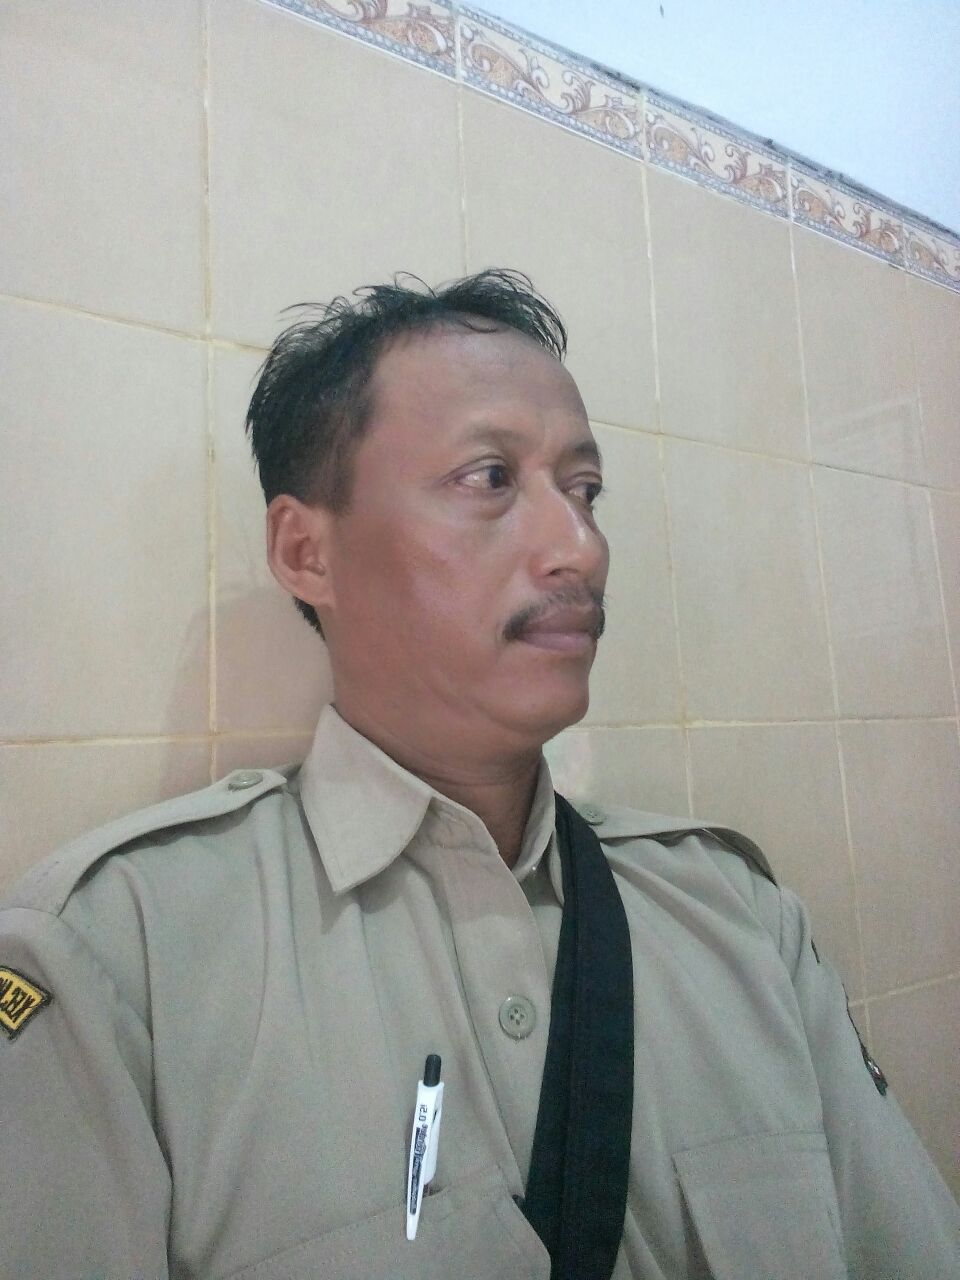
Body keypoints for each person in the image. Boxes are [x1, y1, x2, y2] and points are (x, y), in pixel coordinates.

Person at [1, 270, 957, 1280]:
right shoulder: (121, 963)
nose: (580, 547)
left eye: (584, 491)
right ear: (307, 550)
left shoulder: (737, 919)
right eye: (490, 477)